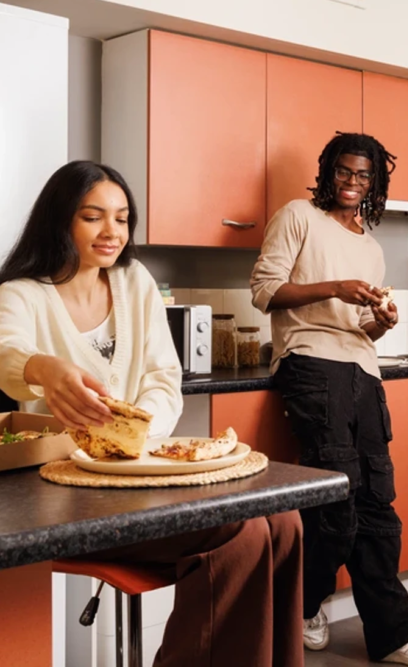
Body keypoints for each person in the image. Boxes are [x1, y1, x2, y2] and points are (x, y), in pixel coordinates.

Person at [0, 160, 304, 667]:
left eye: (122, 218)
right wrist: (44, 368)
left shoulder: (134, 281)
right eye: (93, 217)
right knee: (242, 531)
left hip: (146, 475)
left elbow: (165, 378)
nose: (111, 232)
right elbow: (5, 355)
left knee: (286, 519)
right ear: (60, 221)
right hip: (69, 492)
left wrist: (132, 440)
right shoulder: (21, 295)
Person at [251, 132, 408, 667]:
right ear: (328, 171)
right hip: (310, 363)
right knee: (336, 502)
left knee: (377, 504)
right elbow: (264, 290)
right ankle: (304, 605)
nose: (352, 183)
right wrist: (333, 287)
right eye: (344, 172)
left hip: (363, 370)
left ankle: (393, 635)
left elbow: (362, 327)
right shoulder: (297, 216)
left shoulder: (370, 245)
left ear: (375, 183)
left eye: (364, 176)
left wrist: (381, 322)